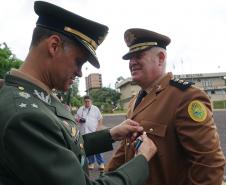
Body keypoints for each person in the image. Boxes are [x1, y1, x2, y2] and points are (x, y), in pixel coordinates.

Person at [0, 2, 158, 185]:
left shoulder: (32, 97)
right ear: (54, 46)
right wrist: (141, 160)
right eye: (79, 61)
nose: (80, 73)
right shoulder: (25, 116)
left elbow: (60, 144)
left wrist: (111, 134)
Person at [106, 28, 226, 185]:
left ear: (161, 58)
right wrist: (107, 176)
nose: (132, 62)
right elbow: (125, 148)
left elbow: (208, 164)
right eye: (130, 58)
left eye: (138, 56)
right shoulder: (134, 102)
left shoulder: (185, 97)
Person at [76, 95, 105, 171]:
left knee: (97, 148)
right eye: (85, 101)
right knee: (89, 148)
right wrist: (79, 120)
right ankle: (91, 163)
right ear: (84, 102)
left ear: (91, 101)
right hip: (84, 132)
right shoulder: (81, 109)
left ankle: (101, 163)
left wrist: (99, 128)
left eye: (88, 101)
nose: (87, 103)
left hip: (94, 131)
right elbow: (76, 118)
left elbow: (100, 118)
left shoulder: (95, 109)